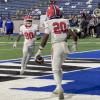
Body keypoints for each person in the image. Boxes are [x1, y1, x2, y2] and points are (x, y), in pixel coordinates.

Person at [35, 1, 78, 99]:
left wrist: (40, 50)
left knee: (55, 69)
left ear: (49, 14)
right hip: (65, 46)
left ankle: (59, 87)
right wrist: (75, 44)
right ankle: (58, 86)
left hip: (56, 46)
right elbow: (74, 35)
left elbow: (45, 37)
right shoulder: (65, 21)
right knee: (58, 68)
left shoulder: (48, 22)